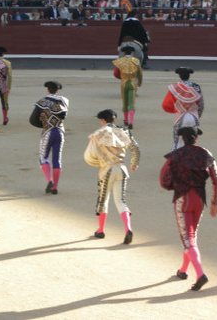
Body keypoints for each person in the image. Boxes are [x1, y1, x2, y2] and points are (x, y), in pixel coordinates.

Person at [160, 126, 217, 291]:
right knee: (191, 236)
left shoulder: (175, 156)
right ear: (197, 139)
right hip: (199, 200)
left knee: (188, 239)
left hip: (183, 199)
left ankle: (200, 274)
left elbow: (164, 180)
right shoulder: (206, 154)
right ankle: (183, 270)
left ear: (182, 139)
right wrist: (215, 203)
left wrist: (175, 185)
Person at [83, 109, 140, 244]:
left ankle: (101, 230)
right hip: (122, 169)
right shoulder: (124, 132)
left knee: (103, 199)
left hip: (107, 169)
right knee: (121, 201)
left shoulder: (98, 134)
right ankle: (128, 229)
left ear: (103, 120)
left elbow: (90, 154)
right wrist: (134, 163)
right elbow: (135, 148)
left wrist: (97, 162)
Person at [29, 81, 69, 195]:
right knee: (57, 160)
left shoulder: (42, 101)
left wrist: (43, 125)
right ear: (57, 90)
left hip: (47, 132)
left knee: (43, 158)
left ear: (48, 89)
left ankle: (50, 180)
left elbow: (33, 120)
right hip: (60, 132)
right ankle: (55, 187)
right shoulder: (64, 101)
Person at [162, 67, 204, 151]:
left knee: (177, 143)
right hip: (193, 116)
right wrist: (197, 115)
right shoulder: (196, 87)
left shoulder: (175, 88)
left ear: (179, 76)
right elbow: (201, 104)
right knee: (192, 141)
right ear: (189, 76)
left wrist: (176, 110)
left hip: (180, 117)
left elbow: (166, 104)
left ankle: (176, 161)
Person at [112, 46, 143, 129]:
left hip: (124, 84)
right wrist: (140, 82)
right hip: (133, 84)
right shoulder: (136, 61)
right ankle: (131, 123)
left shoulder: (120, 61)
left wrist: (122, 77)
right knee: (131, 103)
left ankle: (126, 121)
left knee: (125, 103)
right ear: (132, 53)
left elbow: (115, 73)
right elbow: (140, 74)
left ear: (123, 53)